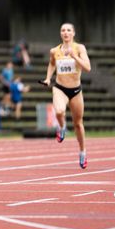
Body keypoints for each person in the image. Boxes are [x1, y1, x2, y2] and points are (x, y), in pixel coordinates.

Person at [41, 23, 91, 169]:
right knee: (59, 111)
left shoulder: (79, 48)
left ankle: (82, 151)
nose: (66, 32)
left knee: (78, 124)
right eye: (63, 30)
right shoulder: (54, 51)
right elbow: (51, 64)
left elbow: (88, 67)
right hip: (60, 88)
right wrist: (48, 78)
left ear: (73, 33)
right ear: (60, 34)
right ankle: (62, 127)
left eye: (69, 30)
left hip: (76, 90)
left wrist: (75, 57)